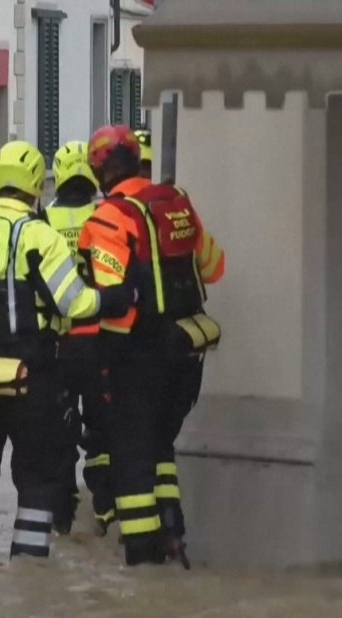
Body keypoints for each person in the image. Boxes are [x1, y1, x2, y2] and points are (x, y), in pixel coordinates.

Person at [0, 140, 134, 560]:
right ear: (37, 185)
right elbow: (73, 302)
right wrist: (112, 299)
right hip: (32, 381)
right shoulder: (40, 236)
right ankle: (28, 575)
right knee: (37, 480)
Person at [79, 125, 225, 567]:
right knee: (161, 447)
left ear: (99, 171)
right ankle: (173, 537)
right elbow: (214, 267)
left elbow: (114, 302)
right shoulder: (176, 201)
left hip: (139, 357)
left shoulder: (108, 218)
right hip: (187, 352)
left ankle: (144, 564)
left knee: (131, 460)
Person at [40, 141, 111, 536]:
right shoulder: (105, 215)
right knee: (103, 428)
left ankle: (62, 516)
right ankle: (105, 509)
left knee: (58, 430)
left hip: (59, 346)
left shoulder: (42, 221)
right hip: (102, 342)